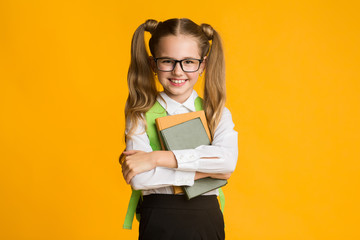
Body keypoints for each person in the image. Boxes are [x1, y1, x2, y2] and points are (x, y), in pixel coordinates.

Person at [120, 18, 238, 240]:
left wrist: (155, 159)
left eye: (189, 62)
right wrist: (208, 172)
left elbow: (227, 162)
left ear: (202, 65)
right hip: (159, 218)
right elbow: (139, 179)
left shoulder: (217, 113)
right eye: (167, 61)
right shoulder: (140, 114)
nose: (178, 71)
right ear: (153, 64)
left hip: (206, 218)